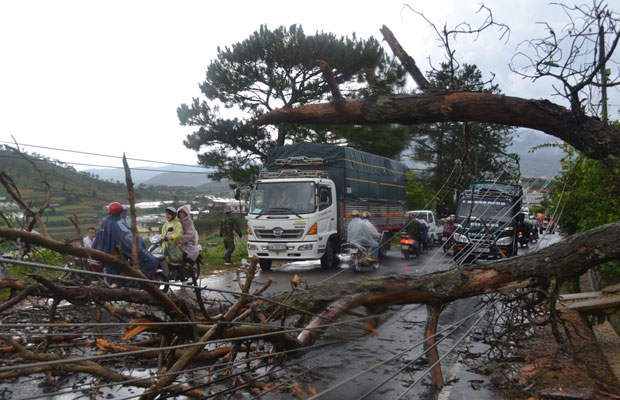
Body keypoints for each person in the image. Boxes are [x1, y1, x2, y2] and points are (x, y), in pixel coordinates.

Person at [93, 202, 159, 286]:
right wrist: (134, 244)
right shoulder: (114, 224)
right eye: (121, 212)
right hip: (114, 254)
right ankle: (134, 282)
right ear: (118, 213)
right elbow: (121, 240)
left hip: (105, 252)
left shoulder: (106, 222)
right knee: (146, 259)